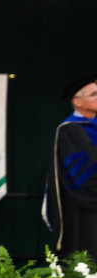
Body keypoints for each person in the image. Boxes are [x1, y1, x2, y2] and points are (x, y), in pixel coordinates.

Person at [44, 74, 97, 261]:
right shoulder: (70, 130)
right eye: (94, 94)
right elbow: (86, 174)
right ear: (78, 101)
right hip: (85, 210)